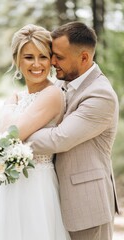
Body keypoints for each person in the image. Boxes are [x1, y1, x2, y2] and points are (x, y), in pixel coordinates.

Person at [18, 22, 119, 240]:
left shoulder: (101, 95)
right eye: (53, 55)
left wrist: (15, 137)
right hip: (54, 198)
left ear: (84, 58)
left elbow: (58, 139)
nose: (52, 62)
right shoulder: (62, 82)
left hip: (87, 204)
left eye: (59, 57)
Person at [0, 24, 71, 240]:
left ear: (51, 60)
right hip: (11, 185)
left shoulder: (52, 94)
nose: (37, 64)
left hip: (37, 187)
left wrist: (8, 109)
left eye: (43, 57)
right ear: (17, 60)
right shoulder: (18, 95)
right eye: (29, 57)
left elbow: (11, 134)